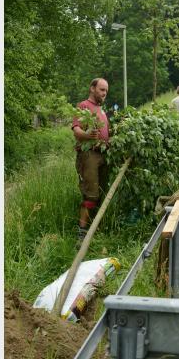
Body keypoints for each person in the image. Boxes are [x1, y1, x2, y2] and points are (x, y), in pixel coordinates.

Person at [71, 78, 110, 241]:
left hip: (103, 154)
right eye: (102, 89)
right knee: (90, 194)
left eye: (106, 91)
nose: (104, 93)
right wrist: (86, 135)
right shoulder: (84, 106)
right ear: (92, 88)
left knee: (101, 192)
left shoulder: (101, 110)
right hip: (89, 155)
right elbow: (76, 129)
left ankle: (96, 229)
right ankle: (82, 232)